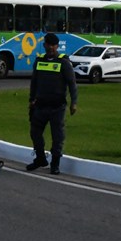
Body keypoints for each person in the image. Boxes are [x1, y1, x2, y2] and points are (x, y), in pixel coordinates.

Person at [27, 33, 78, 175]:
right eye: (48, 44)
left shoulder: (63, 62)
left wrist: (74, 102)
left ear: (57, 46)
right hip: (40, 105)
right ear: (44, 45)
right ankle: (40, 158)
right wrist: (31, 100)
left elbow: (72, 84)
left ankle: (55, 164)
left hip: (57, 107)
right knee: (35, 132)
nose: (50, 47)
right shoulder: (39, 61)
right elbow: (34, 83)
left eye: (53, 45)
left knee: (58, 137)